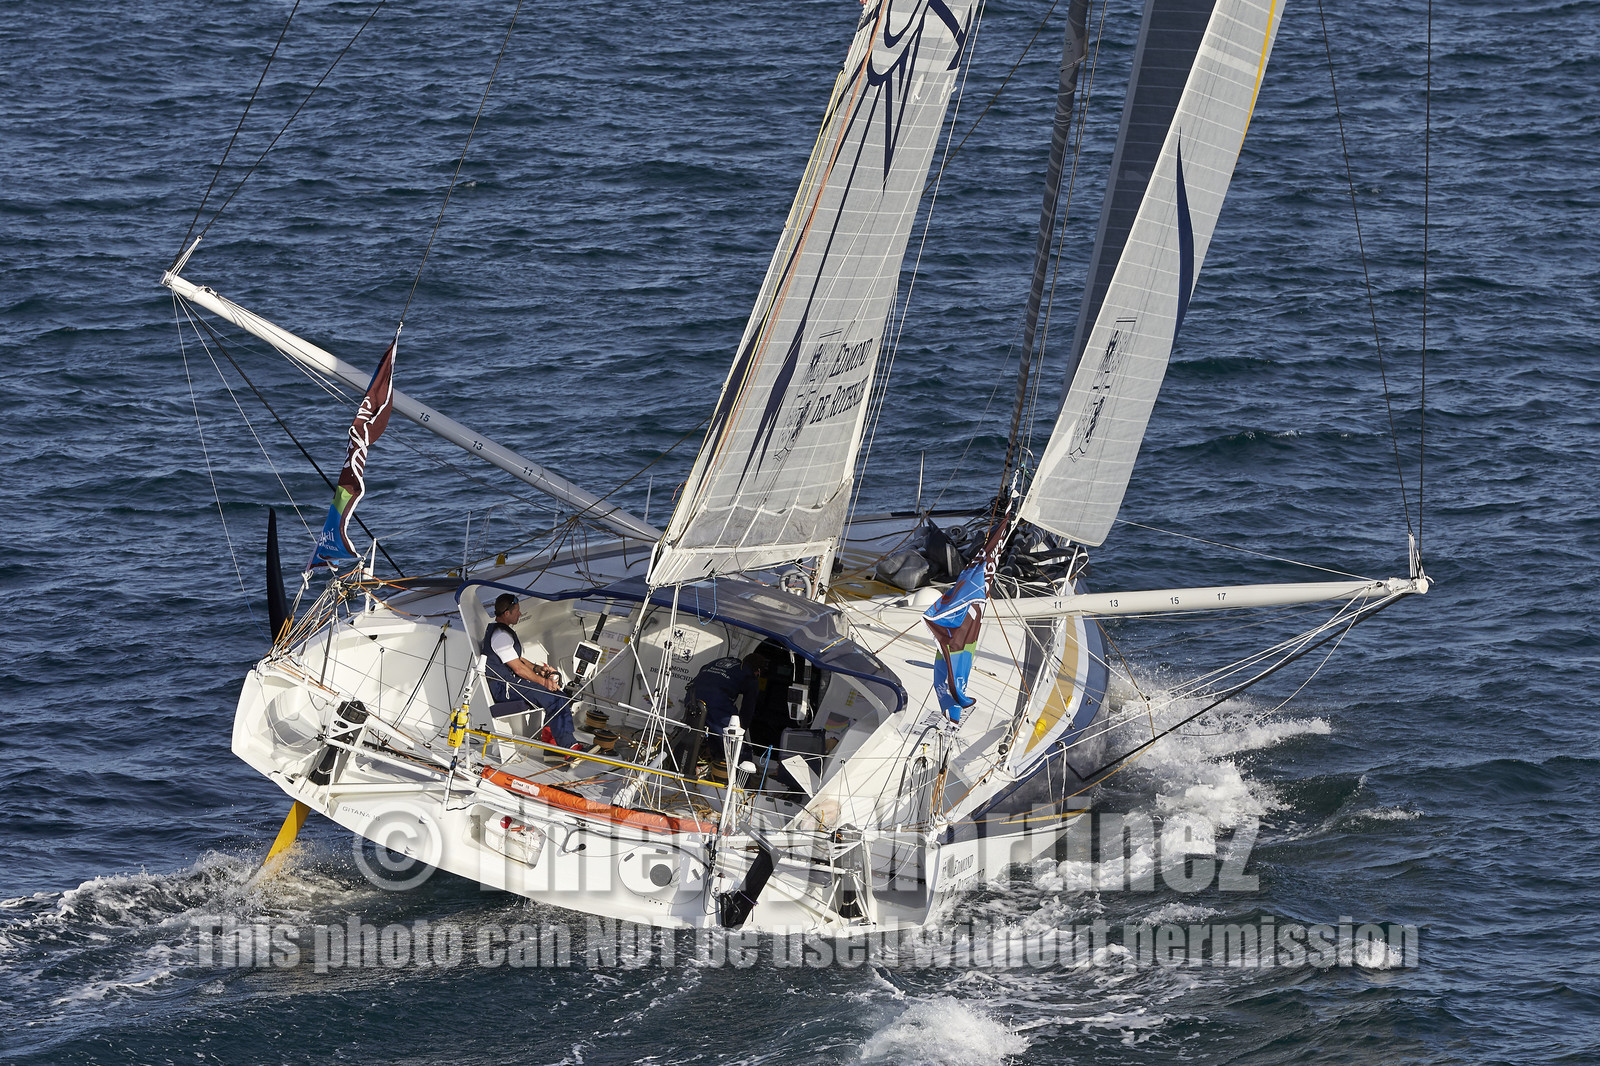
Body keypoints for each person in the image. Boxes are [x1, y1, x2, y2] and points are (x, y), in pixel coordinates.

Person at [482, 593, 577, 749]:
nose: (520, 614)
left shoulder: (503, 632)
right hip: (503, 688)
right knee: (552, 698)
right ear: (507, 613)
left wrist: (537, 669)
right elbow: (518, 669)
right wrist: (544, 682)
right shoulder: (501, 637)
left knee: (560, 696)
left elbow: (517, 659)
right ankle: (569, 747)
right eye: (517, 611)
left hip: (510, 683)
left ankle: (552, 741)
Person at [673, 652, 764, 771]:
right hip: (716, 702)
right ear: (757, 670)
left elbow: (703, 669)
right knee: (737, 746)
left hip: (692, 698)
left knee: (702, 733)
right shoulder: (749, 675)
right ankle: (741, 784)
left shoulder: (723, 662)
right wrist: (741, 730)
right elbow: (748, 708)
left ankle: (715, 764)